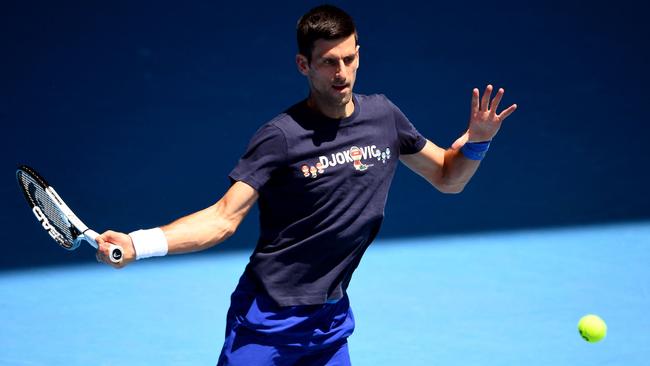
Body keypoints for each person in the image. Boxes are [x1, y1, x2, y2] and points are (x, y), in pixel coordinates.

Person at [95, 4, 517, 365]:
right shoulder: (281, 136)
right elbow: (223, 218)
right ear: (304, 65)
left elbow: (447, 176)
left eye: (349, 59)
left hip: (329, 324)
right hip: (267, 320)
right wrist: (139, 243)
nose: (342, 73)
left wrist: (477, 144)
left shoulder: (384, 117)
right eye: (329, 62)